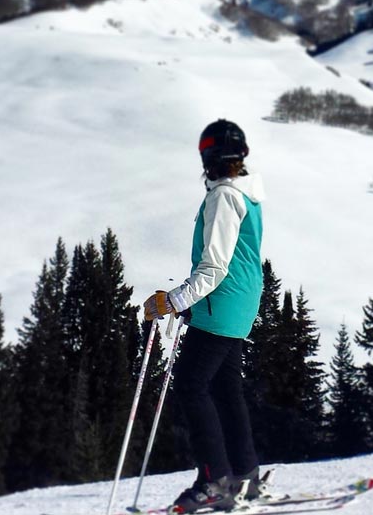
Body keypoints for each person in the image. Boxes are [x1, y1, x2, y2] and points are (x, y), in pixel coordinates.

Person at [143, 119, 265, 513]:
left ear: (207, 157)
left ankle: (214, 482)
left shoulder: (224, 197)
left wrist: (175, 301)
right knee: (226, 387)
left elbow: (213, 268)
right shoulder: (249, 194)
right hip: (240, 302)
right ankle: (244, 474)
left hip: (221, 302)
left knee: (192, 386)